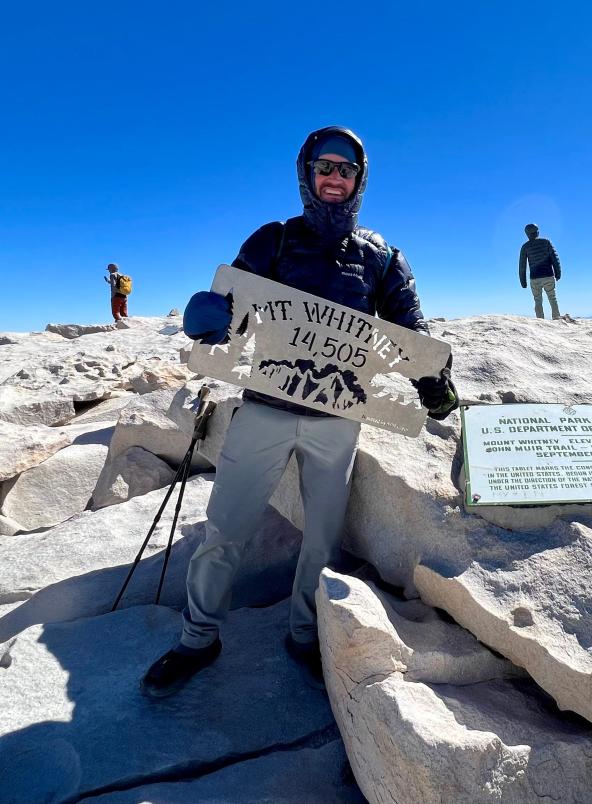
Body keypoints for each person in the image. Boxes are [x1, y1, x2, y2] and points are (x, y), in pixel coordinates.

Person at [141, 126, 459, 698]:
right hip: (263, 408)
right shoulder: (273, 241)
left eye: (346, 169)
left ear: (360, 180)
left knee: (324, 540)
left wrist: (432, 376)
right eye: (324, 166)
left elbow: (410, 329)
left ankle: (306, 635)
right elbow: (234, 309)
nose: (334, 177)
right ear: (306, 174)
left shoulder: (383, 257)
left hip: (338, 419)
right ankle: (197, 638)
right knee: (225, 529)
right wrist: (209, 315)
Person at [518, 223, 562, 319]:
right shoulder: (546, 242)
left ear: (527, 234)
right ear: (537, 232)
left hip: (534, 278)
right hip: (548, 275)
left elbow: (522, 266)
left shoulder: (525, 247)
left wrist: (523, 282)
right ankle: (556, 318)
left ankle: (540, 321)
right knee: (552, 298)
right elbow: (555, 258)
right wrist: (558, 273)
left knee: (537, 300)